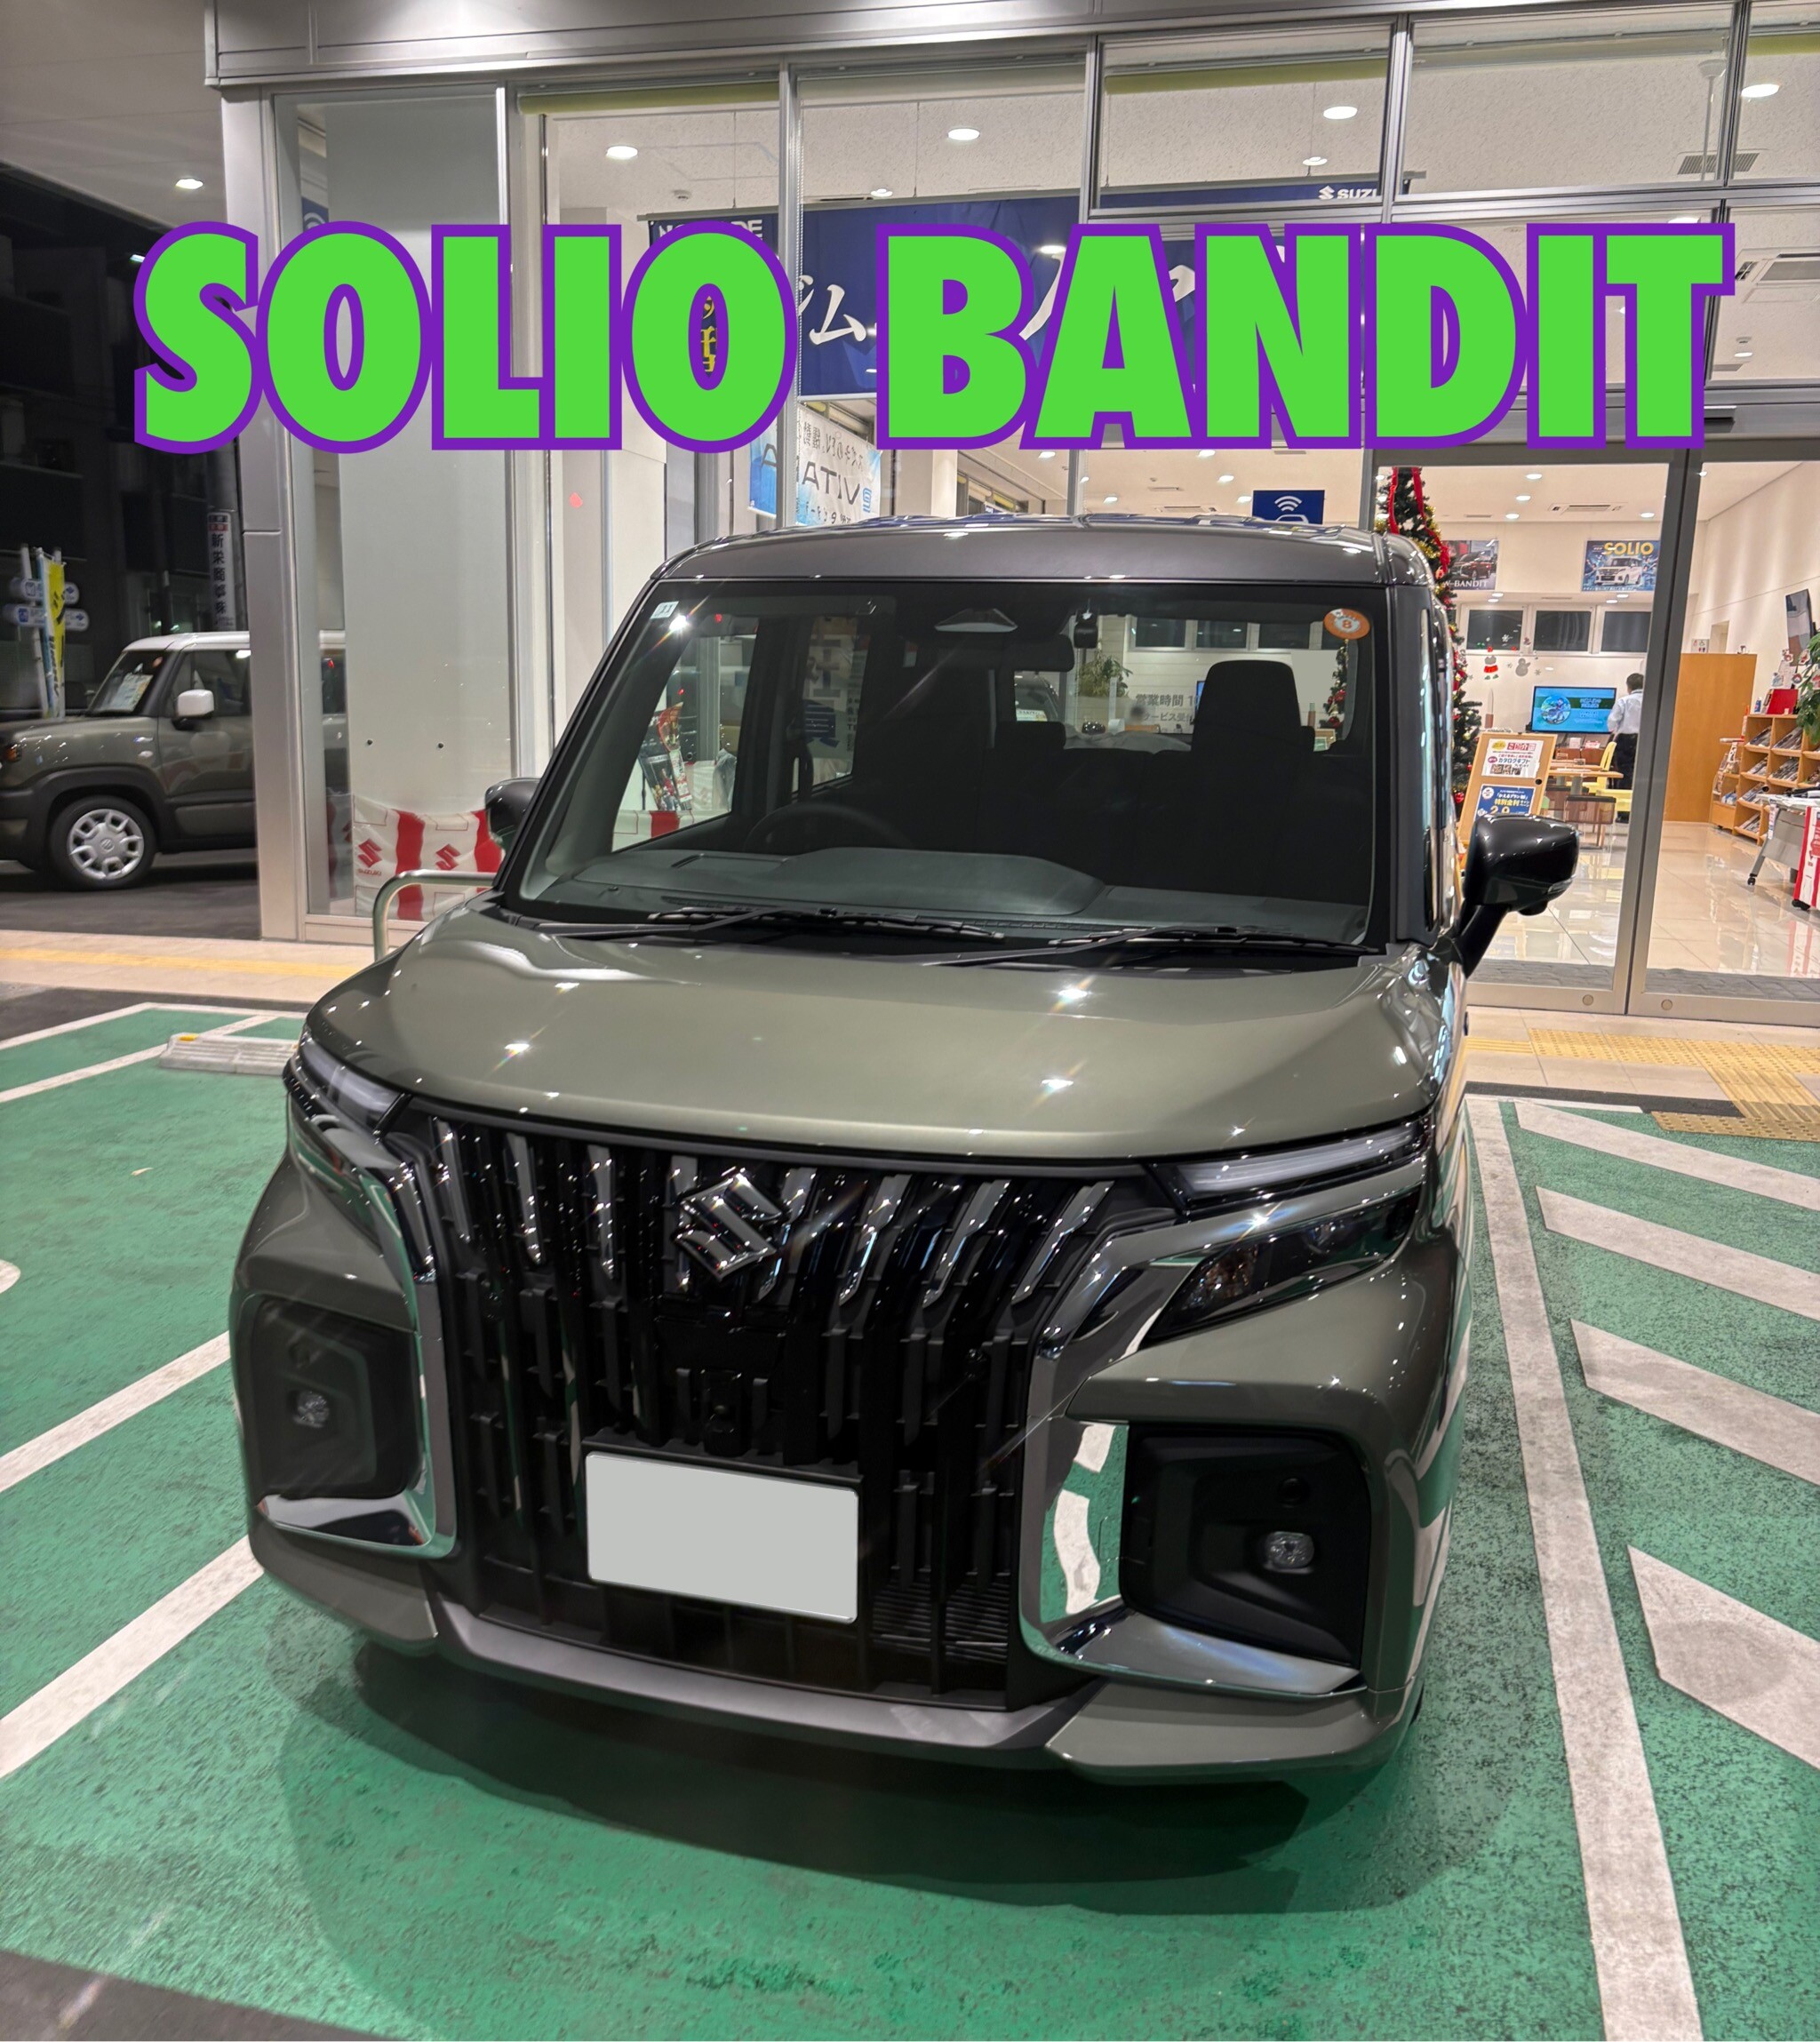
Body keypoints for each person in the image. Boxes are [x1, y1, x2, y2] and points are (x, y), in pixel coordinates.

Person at [1607, 672, 1645, 786]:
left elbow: (1611, 723)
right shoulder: (1652, 701)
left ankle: (1624, 793)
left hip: (1626, 741)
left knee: (1624, 772)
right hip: (1646, 739)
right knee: (1643, 771)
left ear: (1629, 687)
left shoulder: (1623, 701)